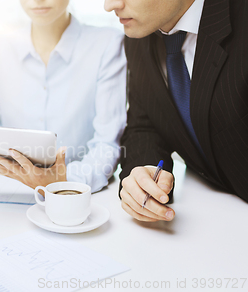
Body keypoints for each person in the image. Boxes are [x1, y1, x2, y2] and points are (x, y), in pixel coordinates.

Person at [0, 0, 127, 192]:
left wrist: (63, 181)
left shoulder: (107, 44)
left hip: (78, 197)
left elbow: (107, 144)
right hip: (9, 196)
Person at [104, 0, 248, 222]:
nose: (109, 5)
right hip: (215, 222)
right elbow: (145, 124)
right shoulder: (139, 37)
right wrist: (145, 173)